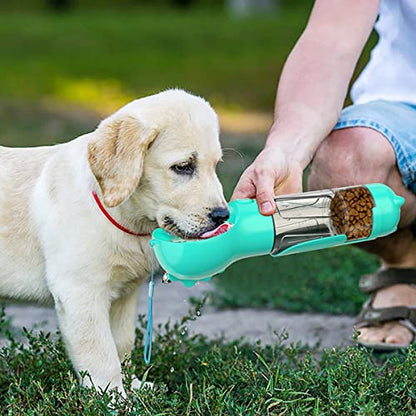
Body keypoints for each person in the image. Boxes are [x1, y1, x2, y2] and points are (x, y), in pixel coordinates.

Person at [232, 0, 416, 350]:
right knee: (346, 167)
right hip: (405, 102)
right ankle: (405, 263)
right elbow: (329, 40)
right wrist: (286, 150)